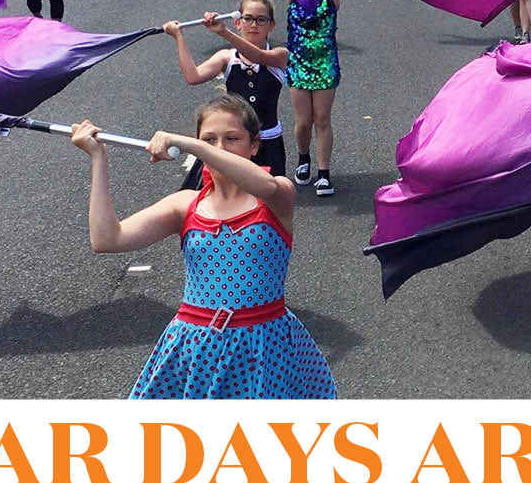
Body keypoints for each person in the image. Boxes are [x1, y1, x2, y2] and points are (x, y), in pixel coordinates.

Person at [71, 95, 336, 399]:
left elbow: (266, 186)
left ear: (254, 145)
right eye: (209, 139)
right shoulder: (185, 205)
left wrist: (195, 146)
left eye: (232, 139)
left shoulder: (275, 196)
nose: (218, 147)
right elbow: (107, 239)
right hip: (195, 348)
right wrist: (97, 159)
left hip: (264, 346)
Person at [163, 0, 289, 185]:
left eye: (261, 19)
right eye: (248, 18)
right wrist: (179, 37)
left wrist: (224, 32)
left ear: (271, 25)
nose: (254, 24)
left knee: (268, 200)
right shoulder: (226, 57)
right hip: (231, 143)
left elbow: (257, 56)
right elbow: (193, 77)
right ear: (238, 22)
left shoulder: (279, 55)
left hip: (267, 142)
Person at [269, 0, 342, 197]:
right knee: (303, 121)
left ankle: (324, 173)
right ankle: (303, 158)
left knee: (322, 118)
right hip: (299, 63)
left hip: (324, 63)